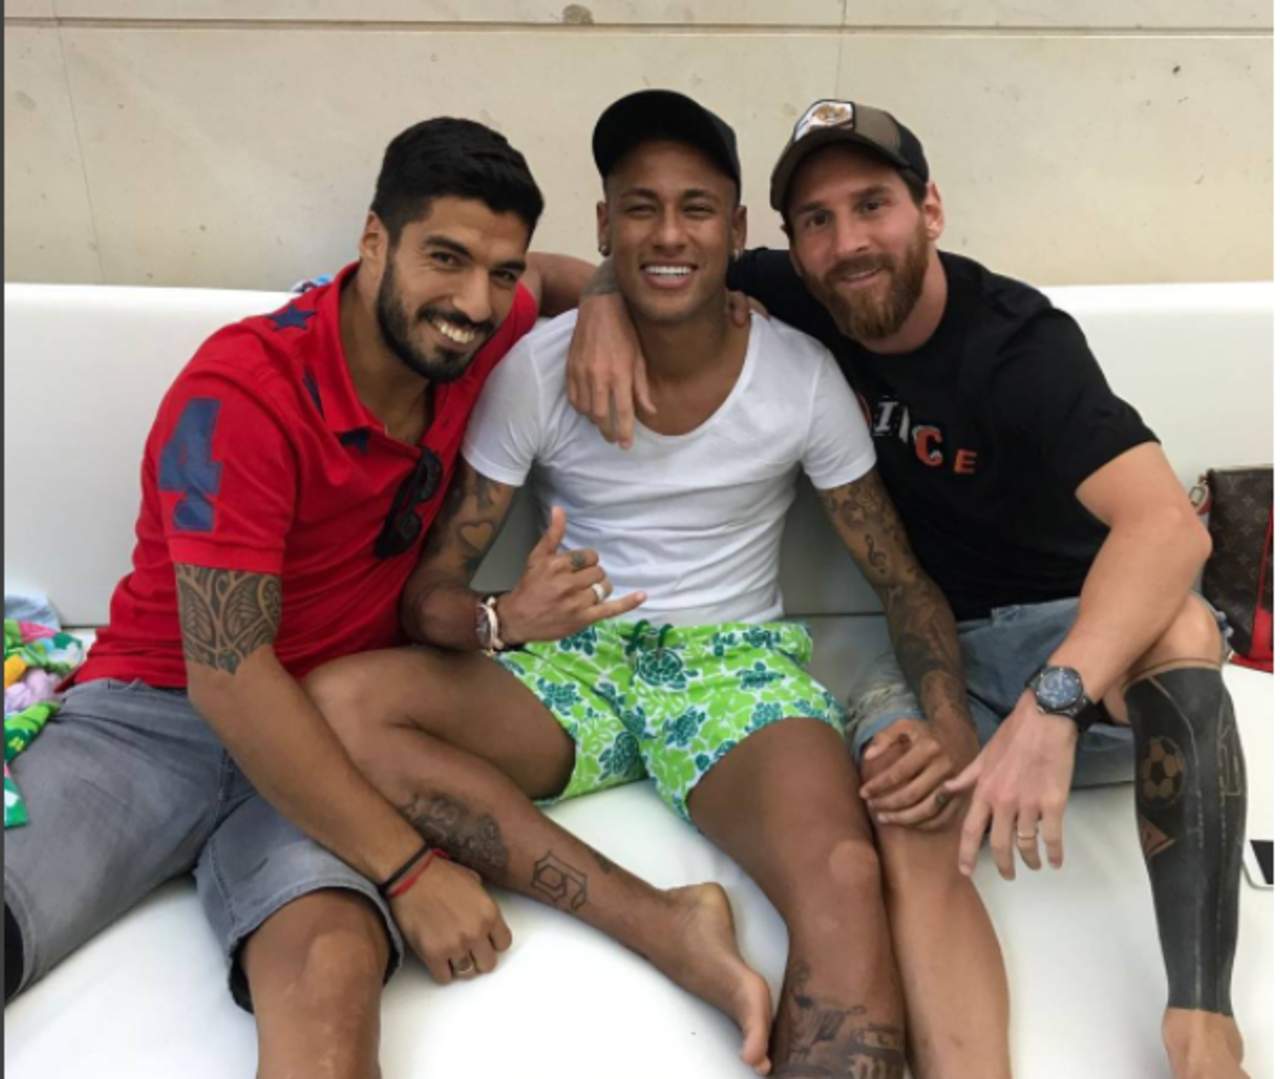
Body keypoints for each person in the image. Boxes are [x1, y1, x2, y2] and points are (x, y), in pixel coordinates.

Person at [303, 89, 1009, 1079]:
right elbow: (430, 595)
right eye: (640, 207)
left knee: (846, 871)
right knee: (337, 704)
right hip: (573, 659)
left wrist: (950, 725)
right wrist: (505, 616)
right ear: (604, 227)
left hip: (734, 671)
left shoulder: (800, 374)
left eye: (695, 208)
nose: (668, 233)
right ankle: (662, 921)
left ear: (737, 229)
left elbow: (900, 582)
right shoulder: (536, 371)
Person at [567, 96, 1248, 1079]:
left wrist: (1051, 704)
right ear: (788, 245)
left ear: (928, 209)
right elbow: (613, 264)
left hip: (1083, 645)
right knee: (900, 785)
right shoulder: (804, 293)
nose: (846, 240)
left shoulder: (1017, 341)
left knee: (1181, 629)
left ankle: (1203, 1030)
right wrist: (600, 302)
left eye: (872, 205)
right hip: (947, 653)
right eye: (816, 219)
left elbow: (1168, 527)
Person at [3, 117, 598, 1078]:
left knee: (330, 986)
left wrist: (604, 314)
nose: (474, 301)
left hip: (329, 730)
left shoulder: (474, 336)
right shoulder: (242, 392)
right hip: (152, 718)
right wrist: (409, 867)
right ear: (374, 242)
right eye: (445, 257)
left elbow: (560, 279)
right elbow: (229, 677)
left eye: (498, 272)